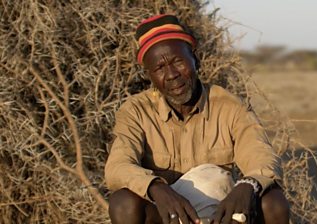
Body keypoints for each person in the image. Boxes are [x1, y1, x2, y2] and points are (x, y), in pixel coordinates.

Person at [105, 14, 289, 224]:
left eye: (178, 61)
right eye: (159, 68)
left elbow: (262, 156)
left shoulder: (229, 106)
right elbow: (117, 167)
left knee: (272, 201)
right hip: (165, 215)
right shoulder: (136, 111)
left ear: (195, 60)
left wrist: (248, 185)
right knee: (123, 202)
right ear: (149, 76)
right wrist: (156, 187)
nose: (172, 74)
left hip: (220, 215)